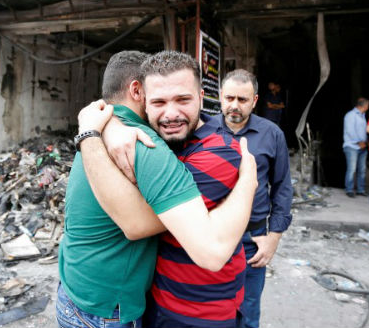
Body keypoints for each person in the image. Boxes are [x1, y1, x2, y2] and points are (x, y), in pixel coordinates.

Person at [56, 51, 257, 328]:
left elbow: (210, 251)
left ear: (201, 97)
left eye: (182, 99)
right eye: (159, 100)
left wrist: (95, 128)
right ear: (140, 93)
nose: (171, 113)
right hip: (105, 309)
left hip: (78, 292)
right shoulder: (139, 141)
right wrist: (248, 184)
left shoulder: (110, 129)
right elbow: (139, 225)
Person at [213, 70, 292, 328]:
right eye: (229, 98)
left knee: (247, 313)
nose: (234, 105)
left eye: (243, 100)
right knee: (208, 309)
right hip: (209, 235)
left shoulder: (272, 134)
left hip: (252, 240)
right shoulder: (203, 130)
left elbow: (281, 187)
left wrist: (274, 237)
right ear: (220, 97)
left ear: (255, 100)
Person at [343, 97, 369, 197]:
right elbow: (350, 131)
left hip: (363, 146)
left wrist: (365, 142)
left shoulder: (362, 115)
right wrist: (359, 142)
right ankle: (349, 189)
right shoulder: (351, 115)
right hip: (352, 146)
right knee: (352, 169)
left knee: (362, 169)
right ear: (365, 106)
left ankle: (360, 190)